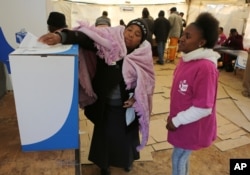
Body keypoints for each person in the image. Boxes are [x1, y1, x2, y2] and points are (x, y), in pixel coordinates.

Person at [39, 18, 155, 175]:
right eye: (129, 30)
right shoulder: (108, 42)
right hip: (106, 105)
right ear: (124, 29)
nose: (131, 35)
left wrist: (136, 98)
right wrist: (62, 37)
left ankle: (126, 161)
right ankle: (104, 165)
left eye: (137, 34)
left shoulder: (142, 55)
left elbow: (147, 82)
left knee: (126, 138)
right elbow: (86, 38)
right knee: (105, 138)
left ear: (141, 40)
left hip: (127, 108)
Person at [166, 12, 220, 175]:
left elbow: (204, 107)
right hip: (182, 122)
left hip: (191, 125)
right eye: (183, 33)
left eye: (188, 36)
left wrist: (177, 120)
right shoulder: (186, 59)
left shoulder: (205, 67)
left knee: (178, 158)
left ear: (201, 43)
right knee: (182, 156)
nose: (182, 38)